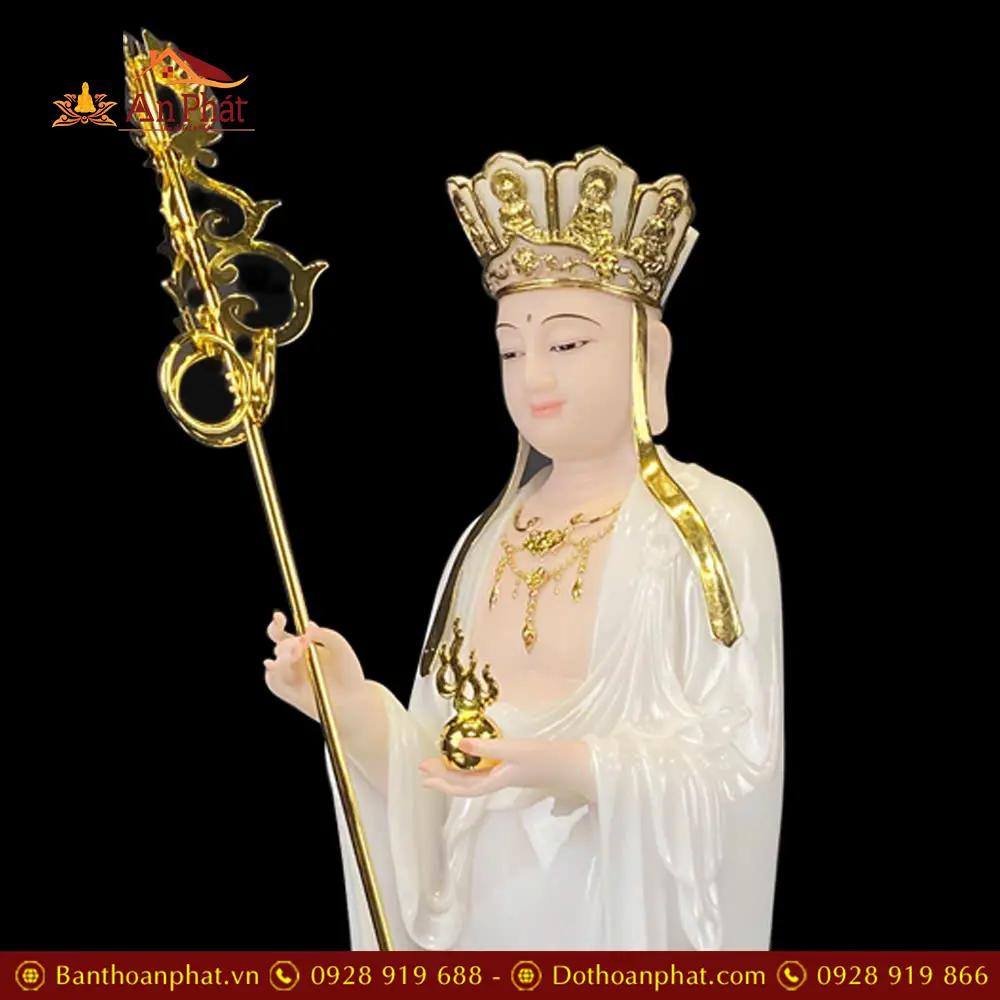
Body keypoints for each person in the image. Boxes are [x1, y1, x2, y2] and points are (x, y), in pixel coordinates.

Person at [263, 147, 784, 951]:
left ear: (649, 354)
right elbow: (438, 770)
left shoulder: (710, 526)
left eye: (567, 345)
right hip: (481, 912)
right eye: (511, 350)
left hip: (606, 912)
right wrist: (350, 705)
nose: (534, 375)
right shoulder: (485, 538)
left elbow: (734, 766)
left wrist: (569, 766)